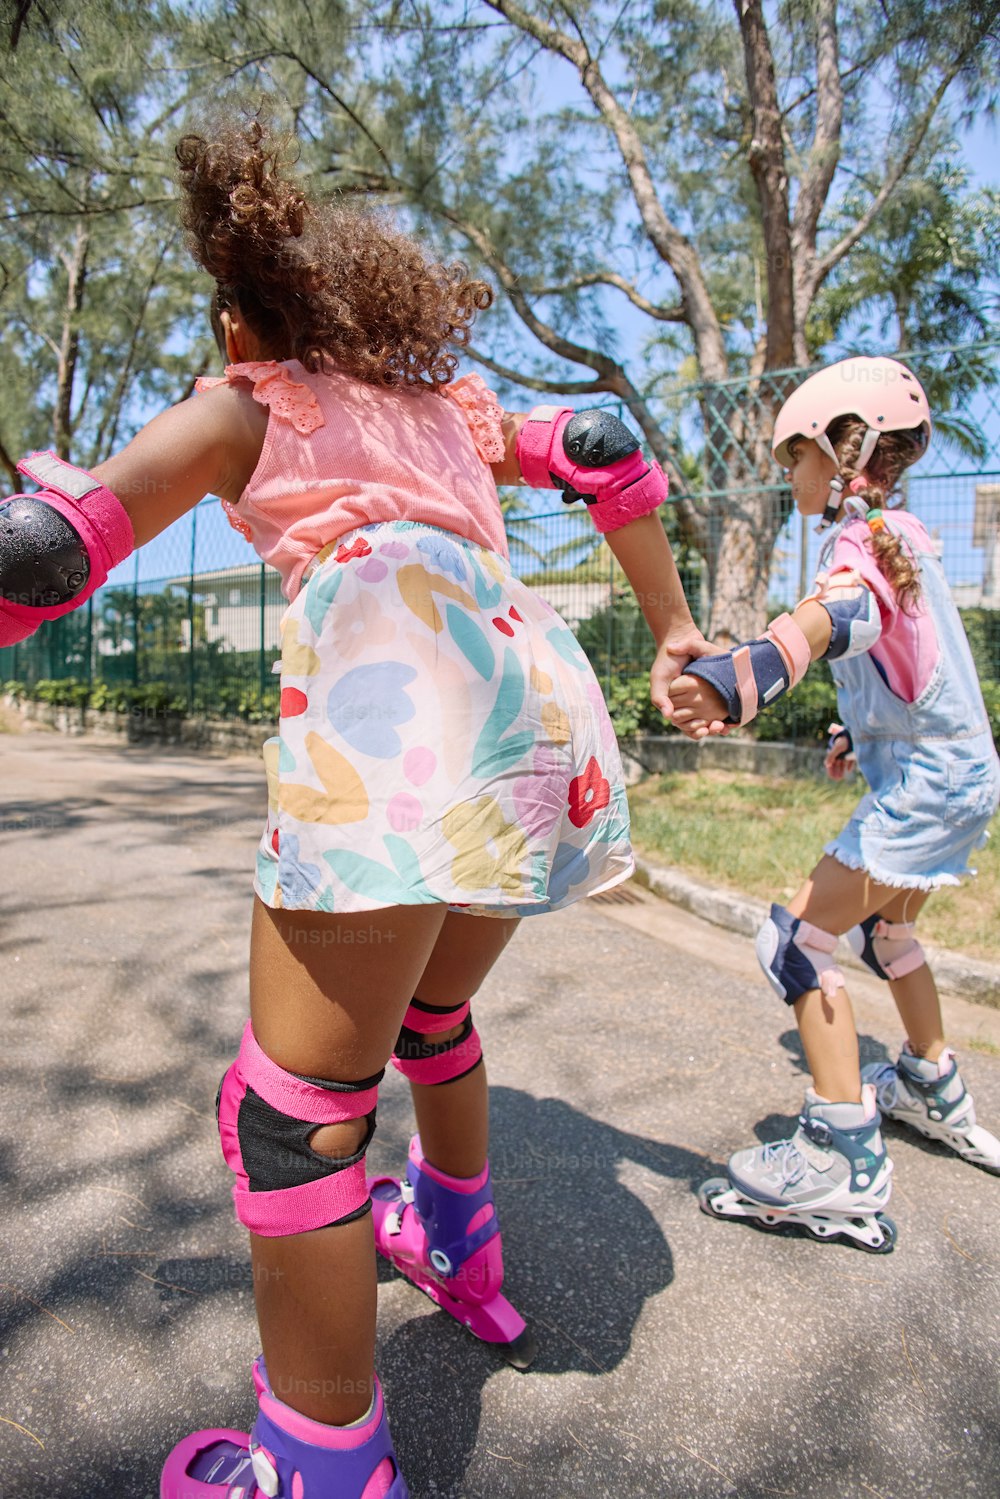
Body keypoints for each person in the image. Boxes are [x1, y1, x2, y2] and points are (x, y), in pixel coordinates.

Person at [0, 115, 713, 1496]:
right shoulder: (455, 408)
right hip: (535, 712)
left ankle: (323, 1461)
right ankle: (459, 1249)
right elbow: (613, 449)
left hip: (402, 704)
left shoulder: (248, 402)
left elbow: (50, 550)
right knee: (432, 1017)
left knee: (296, 1116)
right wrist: (675, 633)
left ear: (240, 314)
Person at [669, 355, 1000, 1254]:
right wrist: (865, 736)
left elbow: (843, 617)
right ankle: (931, 1080)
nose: (789, 475)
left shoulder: (860, 549)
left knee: (797, 942)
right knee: (887, 931)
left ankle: (839, 1154)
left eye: (794, 458)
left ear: (833, 448)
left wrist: (743, 677)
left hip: (929, 785)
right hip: (955, 772)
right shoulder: (902, 535)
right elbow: (914, 666)